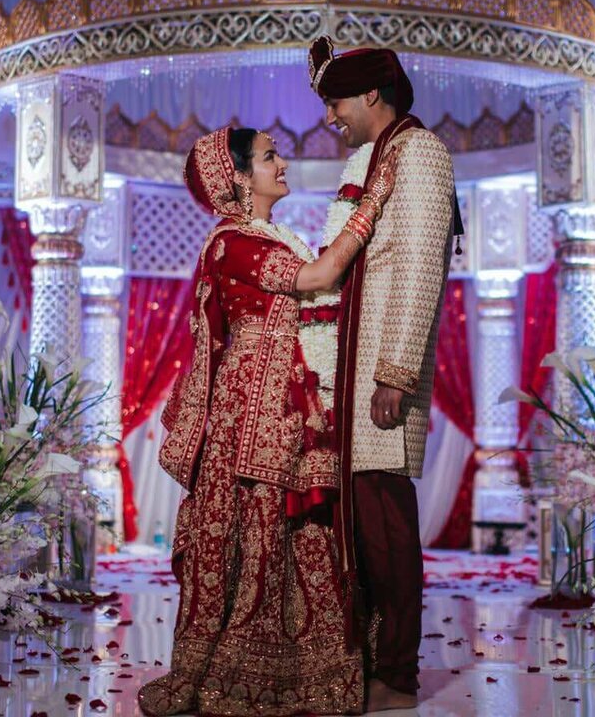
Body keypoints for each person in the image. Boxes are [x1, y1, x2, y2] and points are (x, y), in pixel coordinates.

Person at [138, 126, 400, 717]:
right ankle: (244, 668)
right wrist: (370, 206)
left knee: (300, 531)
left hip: (287, 396)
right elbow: (316, 278)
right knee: (260, 526)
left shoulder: (268, 235)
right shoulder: (231, 243)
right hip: (253, 407)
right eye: (268, 157)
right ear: (237, 177)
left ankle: (306, 669)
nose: (282, 163)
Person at [308, 36, 457, 711]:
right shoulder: (375, 155)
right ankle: (371, 656)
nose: (331, 114)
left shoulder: (419, 151)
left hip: (380, 371)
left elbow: (423, 264)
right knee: (364, 524)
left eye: (337, 99)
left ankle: (396, 672)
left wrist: (394, 372)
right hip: (355, 366)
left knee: (386, 521)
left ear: (372, 93)